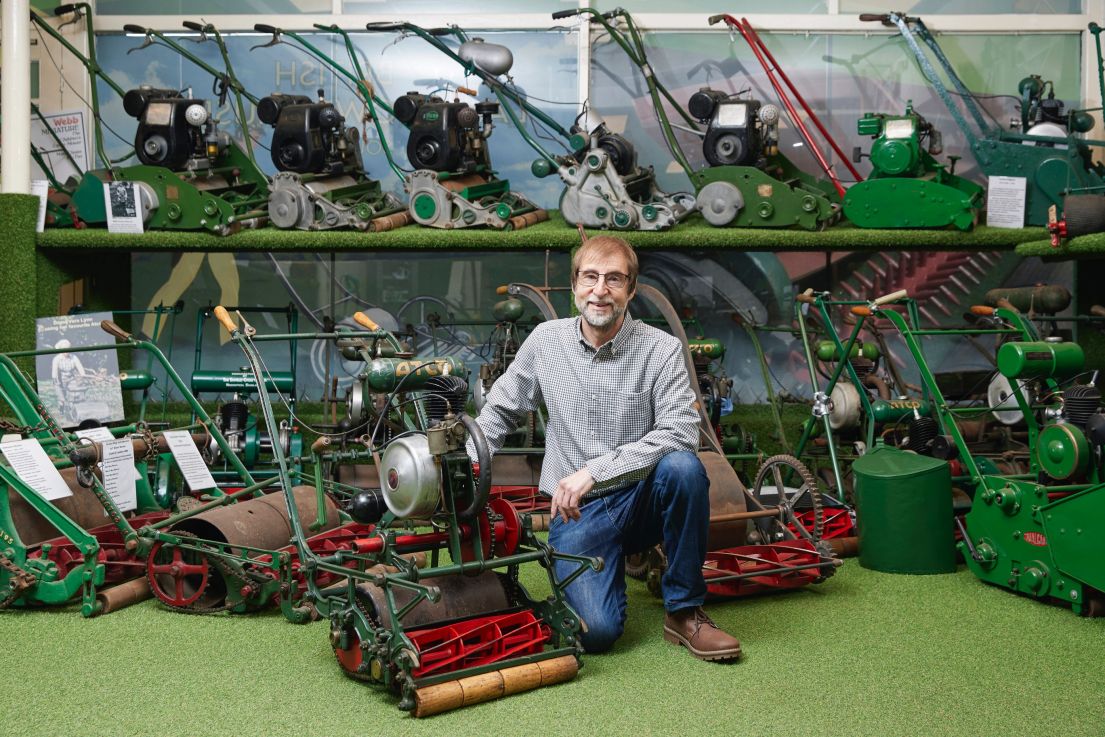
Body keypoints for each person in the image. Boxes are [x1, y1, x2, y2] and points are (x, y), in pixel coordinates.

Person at [469, 235, 741, 661]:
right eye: (590, 277)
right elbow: (499, 411)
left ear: (631, 290)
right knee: (597, 633)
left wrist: (595, 470)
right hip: (578, 512)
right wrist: (467, 463)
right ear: (575, 284)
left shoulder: (661, 349)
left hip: (641, 497)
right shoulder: (545, 342)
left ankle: (685, 613)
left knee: (684, 468)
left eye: (614, 279)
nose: (600, 290)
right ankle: (606, 575)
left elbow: (681, 431)